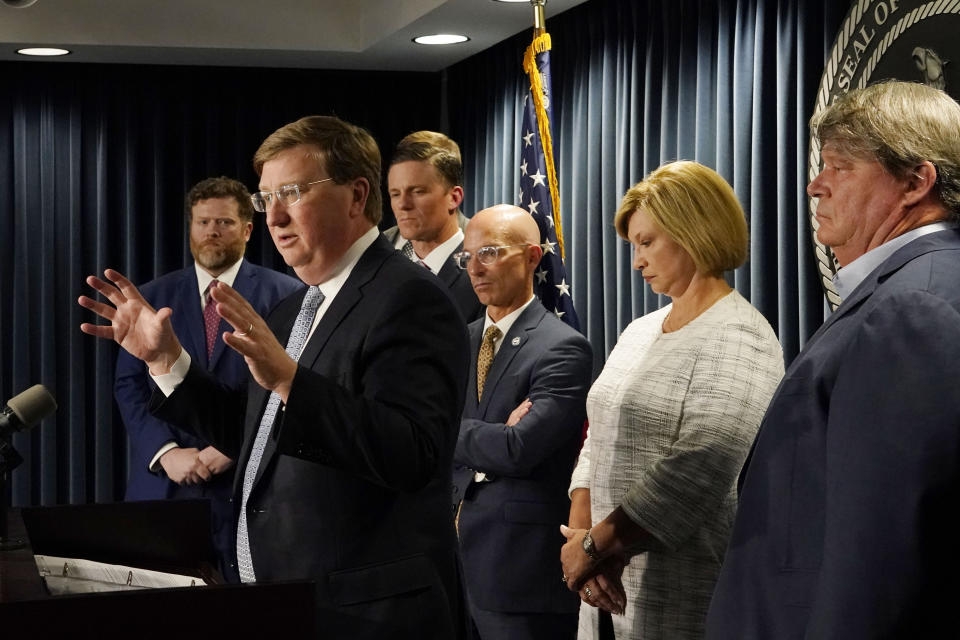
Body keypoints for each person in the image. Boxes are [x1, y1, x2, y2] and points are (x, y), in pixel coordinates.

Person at [79, 115, 470, 638]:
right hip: (287, 602)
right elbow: (252, 432)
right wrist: (165, 362)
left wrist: (290, 380)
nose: (275, 217)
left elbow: (411, 454)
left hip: (366, 614)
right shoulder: (294, 309)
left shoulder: (410, 298)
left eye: (292, 192)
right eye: (266, 199)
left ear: (357, 196)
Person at [705, 81, 960, 639]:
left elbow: (882, 552)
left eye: (839, 167)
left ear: (916, 181)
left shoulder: (914, 306)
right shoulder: (913, 289)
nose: (814, 185)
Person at [559, 161, 784, 639]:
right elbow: (596, 435)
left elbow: (700, 466)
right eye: (633, 246)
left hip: (680, 589)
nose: (636, 261)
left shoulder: (741, 334)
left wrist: (597, 546)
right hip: (597, 587)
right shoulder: (639, 330)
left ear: (695, 231)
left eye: (647, 242)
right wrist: (580, 537)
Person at [115, 176, 301, 583]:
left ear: (248, 229)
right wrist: (165, 452)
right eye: (202, 223)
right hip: (165, 488)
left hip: (248, 485)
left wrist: (235, 443)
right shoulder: (150, 297)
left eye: (224, 223)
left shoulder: (288, 296)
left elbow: (290, 387)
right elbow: (129, 386)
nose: (212, 232)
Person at [453, 205, 593, 640]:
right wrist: (492, 434)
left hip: (519, 575)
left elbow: (519, 449)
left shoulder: (562, 347)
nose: (475, 268)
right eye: (467, 256)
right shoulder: (458, 340)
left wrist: (440, 430)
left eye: (490, 253)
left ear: (533, 257)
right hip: (451, 565)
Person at [386, 130, 481, 321]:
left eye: (418, 192)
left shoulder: (485, 260)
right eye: (395, 194)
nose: (403, 204)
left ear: (454, 198)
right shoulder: (377, 252)